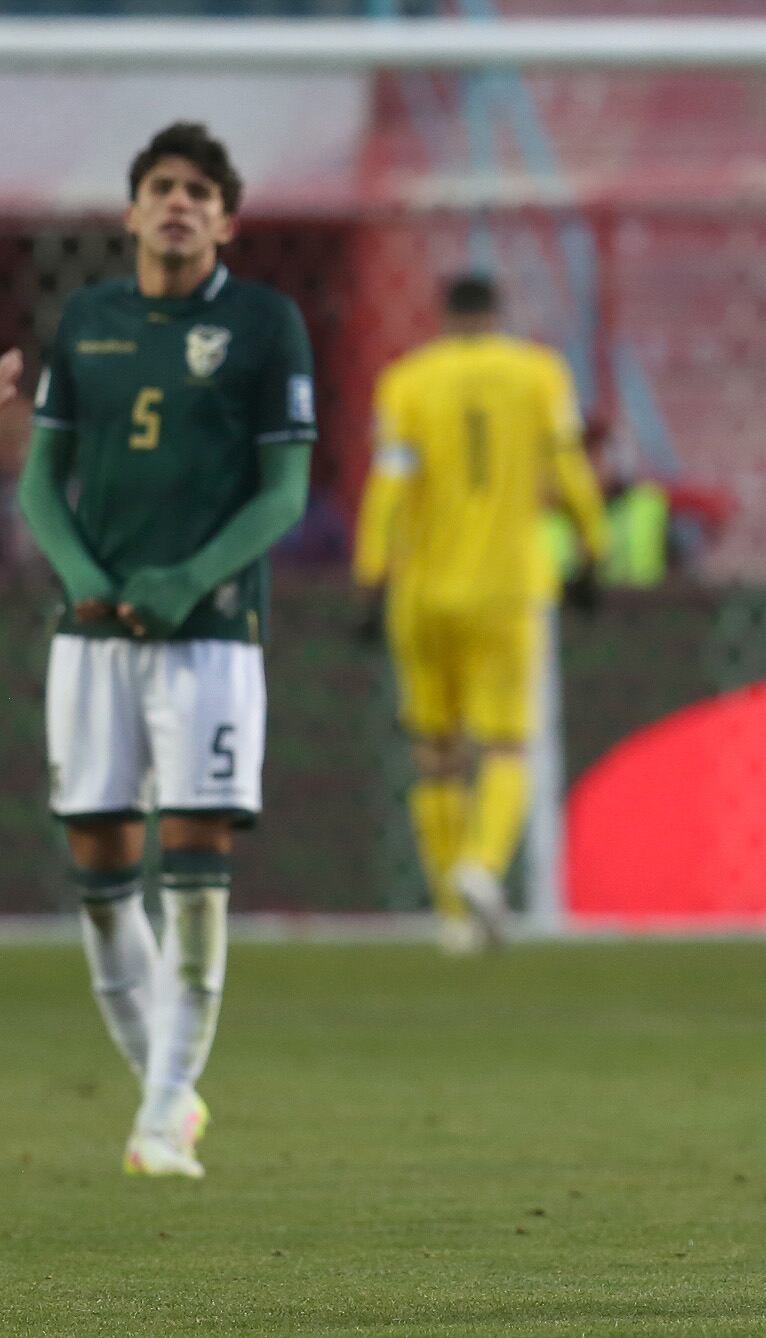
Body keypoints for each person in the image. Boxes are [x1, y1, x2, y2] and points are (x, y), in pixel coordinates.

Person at [19, 122, 316, 1178]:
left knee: (196, 873)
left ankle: (158, 1119)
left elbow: (285, 492)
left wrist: (189, 579)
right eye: (161, 186)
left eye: (199, 189)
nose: (178, 202)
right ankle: (169, 1092)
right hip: (94, 642)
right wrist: (87, 579)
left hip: (212, 641)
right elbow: (40, 483)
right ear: (133, 210)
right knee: (100, 871)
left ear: (226, 218)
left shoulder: (266, 325)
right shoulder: (89, 320)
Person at [352, 275, 606, 955]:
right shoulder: (537, 375)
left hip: (421, 592)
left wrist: (371, 575)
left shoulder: (406, 382)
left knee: (435, 756)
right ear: (498, 315)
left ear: (442, 317)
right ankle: (481, 867)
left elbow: (388, 486)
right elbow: (570, 469)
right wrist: (593, 547)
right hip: (505, 591)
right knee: (504, 747)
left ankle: (454, 919)